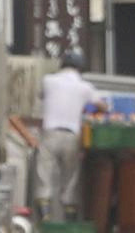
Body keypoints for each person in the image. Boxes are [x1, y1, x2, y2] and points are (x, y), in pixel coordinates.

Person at [36, 51, 96, 218]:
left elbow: (41, 96)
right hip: (71, 136)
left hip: (49, 134)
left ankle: (44, 219)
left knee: (44, 177)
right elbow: (103, 105)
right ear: (80, 68)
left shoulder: (48, 81)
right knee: (70, 181)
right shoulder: (85, 87)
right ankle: (69, 223)